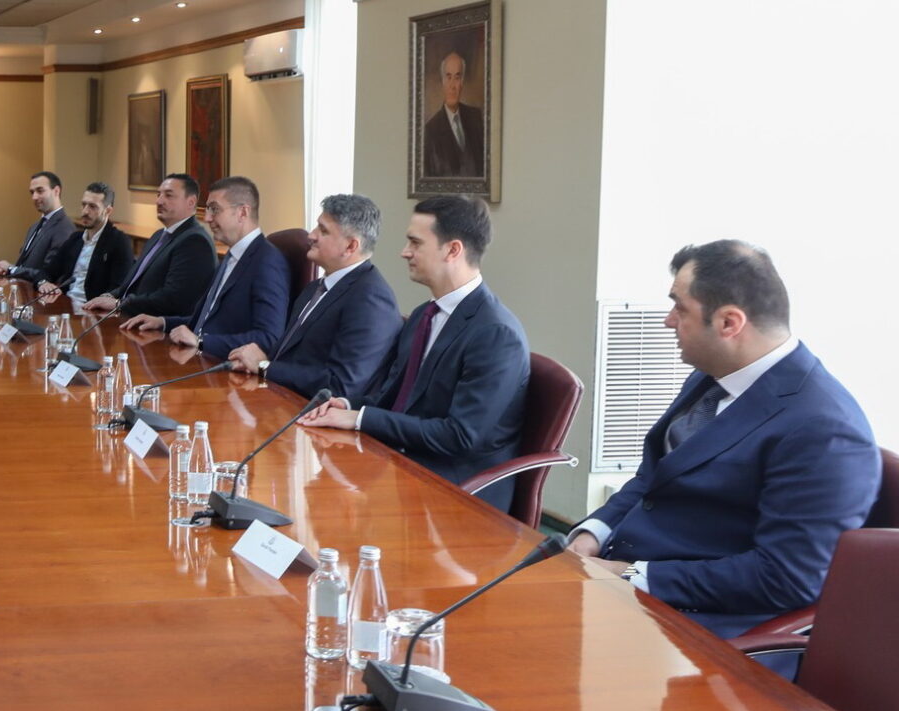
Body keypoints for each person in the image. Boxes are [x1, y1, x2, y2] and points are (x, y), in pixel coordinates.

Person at [567, 241, 878, 638]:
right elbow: (653, 479)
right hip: (624, 586)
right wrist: (593, 532)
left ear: (729, 322)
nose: (667, 321)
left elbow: (786, 577)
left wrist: (631, 575)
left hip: (702, 627)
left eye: (680, 308)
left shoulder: (824, 429)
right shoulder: (711, 376)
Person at [299, 194, 528, 508]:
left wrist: (359, 418)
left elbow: (459, 436)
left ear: (453, 250)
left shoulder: (496, 334)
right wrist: (347, 405)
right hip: (400, 461)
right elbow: (396, 399)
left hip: (456, 489)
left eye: (415, 243)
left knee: (328, 506)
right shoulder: (424, 315)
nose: (404, 252)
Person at [228, 194, 402, 403]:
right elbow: (287, 354)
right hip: (274, 398)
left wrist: (265, 367)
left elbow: (340, 386)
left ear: (351, 246)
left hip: (309, 414)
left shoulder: (371, 299)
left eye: (323, 230)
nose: (311, 235)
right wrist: (252, 360)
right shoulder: (315, 287)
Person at [120, 176, 289, 359]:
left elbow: (268, 338)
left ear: (242, 212)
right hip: (198, 358)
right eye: (208, 209)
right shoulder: (232, 255)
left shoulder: (267, 261)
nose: (207, 218)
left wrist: (201, 341)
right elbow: (204, 321)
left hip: (225, 367)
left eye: (214, 209)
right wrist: (162, 322)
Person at [81, 174, 214, 319]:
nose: (159, 201)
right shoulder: (159, 235)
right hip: (127, 317)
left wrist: (119, 304)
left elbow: (173, 299)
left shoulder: (195, 241)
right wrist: (108, 296)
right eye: (158, 195)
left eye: (168, 195)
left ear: (191, 202)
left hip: (156, 326)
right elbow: (131, 284)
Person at [35, 182, 134, 309]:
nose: (85, 211)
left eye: (92, 206)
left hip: (93, 310)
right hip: (66, 304)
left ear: (108, 211)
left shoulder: (119, 242)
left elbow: (120, 288)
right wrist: (43, 283)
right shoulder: (75, 239)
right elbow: (47, 271)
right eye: (84, 205)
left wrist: (105, 299)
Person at [0, 171, 76, 282]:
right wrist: (7, 270)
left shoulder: (64, 228)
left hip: (39, 291)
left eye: (40, 191)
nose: (34, 197)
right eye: (32, 192)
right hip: (20, 287)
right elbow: (25, 265)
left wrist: (11, 269)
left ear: (56, 191)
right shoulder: (35, 226)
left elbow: (48, 275)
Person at [422, 50, 485, 183]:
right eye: (448, 77)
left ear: (462, 82)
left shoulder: (476, 117)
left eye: (457, 77)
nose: (453, 86)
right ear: (443, 82)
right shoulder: (430, 131)